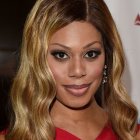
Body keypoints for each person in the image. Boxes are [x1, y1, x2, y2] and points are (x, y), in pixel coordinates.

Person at [0, 0, 140, 139]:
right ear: (38, 60)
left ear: (107, 58)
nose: (78, 71)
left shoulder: (131, 134)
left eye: (91, 54)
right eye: (61, 55)